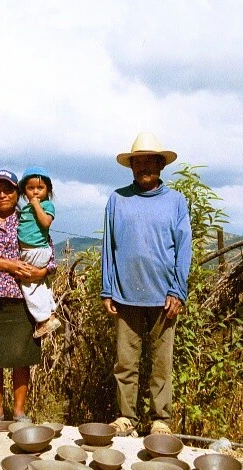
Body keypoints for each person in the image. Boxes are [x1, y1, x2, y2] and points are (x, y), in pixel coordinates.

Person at [101, 132, 192, 438]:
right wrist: (107, 289)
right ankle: (125, 417)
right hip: (125, 294)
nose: (142, 168)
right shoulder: (117, 199)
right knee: (125, 362)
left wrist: (178, 290)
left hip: (164, 296)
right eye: (137, 163)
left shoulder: (176, 202)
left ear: (160, 165)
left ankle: (160, 420)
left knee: (161, 363)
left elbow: (184, 248)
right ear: (131, 167)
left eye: (148, 162)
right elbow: (108, 247)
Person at [0, 170, 57, 423]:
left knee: (22, 358)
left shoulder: (29, 217)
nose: (2, 195)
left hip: (22, 298)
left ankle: (19, 412)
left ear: (17, 193)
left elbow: (49, 254)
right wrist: (9, 265)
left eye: (8, 190)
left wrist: (40, 270)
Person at [17, 166, 62, 338]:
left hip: (35, 250)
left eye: (40, 188)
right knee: (40, 284)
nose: (35, 192)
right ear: (24, 191)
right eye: (31, 188)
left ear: (48, 190)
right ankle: (51, 313)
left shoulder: (46, 205)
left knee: (28, 284)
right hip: (32, 250)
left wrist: (37, 205)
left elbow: (45, 223)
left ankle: (43, 320)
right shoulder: (25, 208)